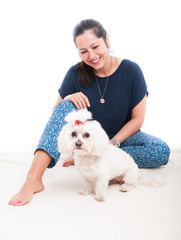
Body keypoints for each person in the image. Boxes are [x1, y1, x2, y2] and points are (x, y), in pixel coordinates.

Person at [9, 19, 170, 206]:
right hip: (86, 136)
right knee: (64, 106)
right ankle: (33, 179)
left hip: (123, 138)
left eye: (95, 47)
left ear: (107, 41)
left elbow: (137, 119)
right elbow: (57, 115)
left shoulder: (131, 71)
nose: (91, 55)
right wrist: (69, 97)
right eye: (83, 51)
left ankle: (89, 157)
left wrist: (111, 144)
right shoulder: (74, 73)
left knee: (160, 151)